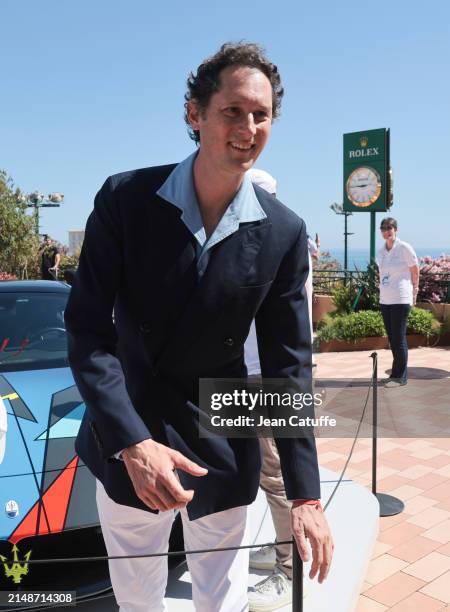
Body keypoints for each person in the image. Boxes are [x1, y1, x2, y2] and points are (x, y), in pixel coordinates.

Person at [65, 42, 333, 611]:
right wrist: (132, 443)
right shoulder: (125, 200)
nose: (249, 126)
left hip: (223, 431)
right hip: (131, 429)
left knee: (223, 598)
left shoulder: (284, 232)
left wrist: (307, 495)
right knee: (138, 599)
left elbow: (290, 367)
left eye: (261, 115)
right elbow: (88, 330)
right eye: (232, 110)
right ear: (195, 114)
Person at [377, 217, 419, 387]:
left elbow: (415, 271)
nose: (386, 231)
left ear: (396, 230)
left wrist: (414, 292)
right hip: (385, 299)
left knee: (399, 338)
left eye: (389, 228)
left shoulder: (404, 248)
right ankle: (395, 374)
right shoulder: (381, 251)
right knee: (392, 338)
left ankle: (400, 377)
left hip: (401, 298)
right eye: (383, 229)